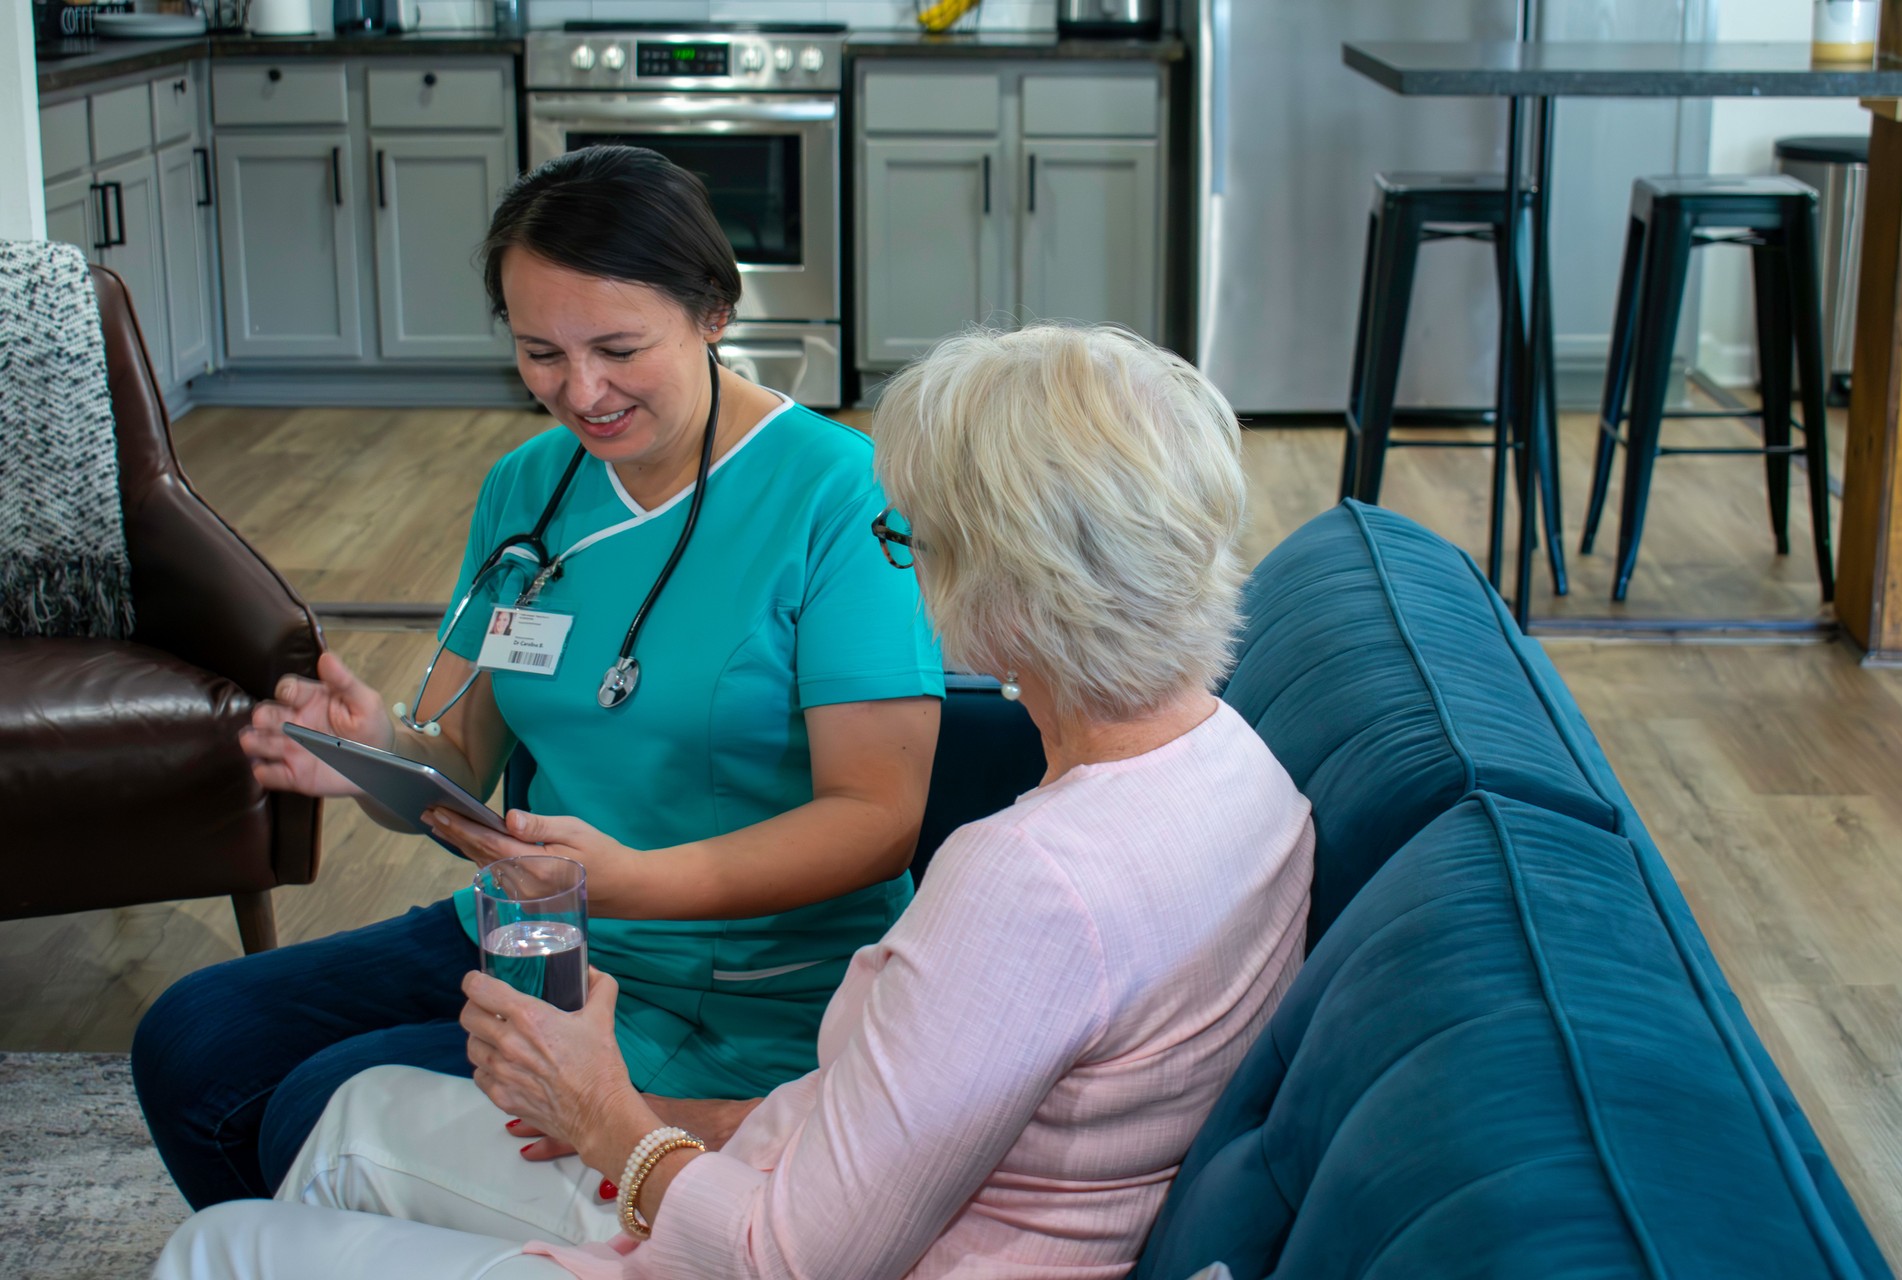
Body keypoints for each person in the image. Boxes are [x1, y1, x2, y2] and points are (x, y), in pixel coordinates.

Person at [153, 323, 1316, 1280]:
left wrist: (606, 1108)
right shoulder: (1245, 769)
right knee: (356, 1113)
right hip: (804, 1172)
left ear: (998, 582)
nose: (893, 556)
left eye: (910, 533)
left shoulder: (1033, 878)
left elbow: (791, 1256)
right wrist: (692, 1118)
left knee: (219, 1246)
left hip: (774, 1246)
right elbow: (912, 1119)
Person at [131, 145, 944, 1211]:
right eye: (540, 352)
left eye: (617, 347)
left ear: (714, 310)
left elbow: (878, 815)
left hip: (742, 987)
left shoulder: (841, 494)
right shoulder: (530, 483)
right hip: (536, 927)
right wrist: (375, 746)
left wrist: (630, 881)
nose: (582, 392)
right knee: (196, 1042)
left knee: (314, 1103)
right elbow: (465, 755)